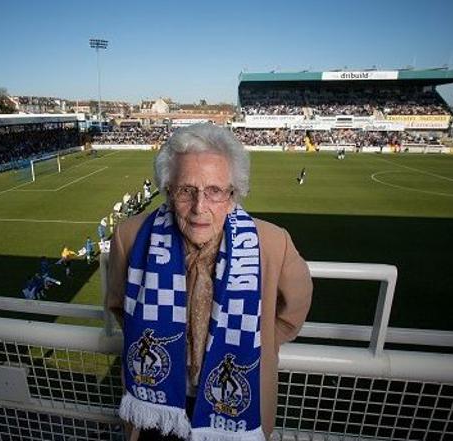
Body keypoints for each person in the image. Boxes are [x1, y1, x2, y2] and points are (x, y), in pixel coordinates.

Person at [107, 124, 312, 440]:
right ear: (168, 191)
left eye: (215, 191)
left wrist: (255, 341)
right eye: (186, 190)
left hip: (235, 407)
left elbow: (292, 313)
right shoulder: (131, 237)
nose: (199, 207)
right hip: (156, 408)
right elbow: (121, 307)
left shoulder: (272, 243)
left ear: (233, 195)